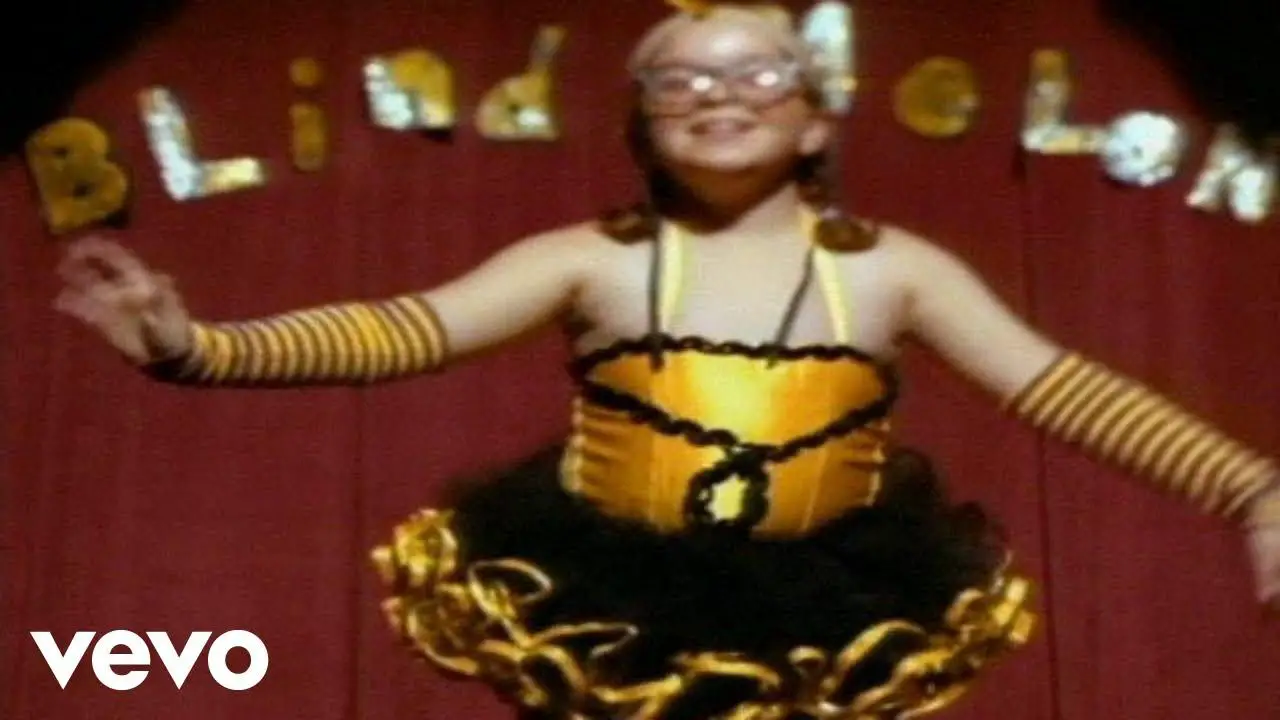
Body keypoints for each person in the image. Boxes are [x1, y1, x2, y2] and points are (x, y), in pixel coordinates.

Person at [54, 4, 1279, 719]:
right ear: (641, 124)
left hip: (829, 621)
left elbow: (1059, 388)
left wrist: (1251, 491)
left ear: (814, 121)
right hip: (610, 612)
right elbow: (404, 327)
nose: (715, 95)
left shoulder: (892, 271)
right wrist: (195, 349)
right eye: (678, 81)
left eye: (756, 74)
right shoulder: (588, 260)